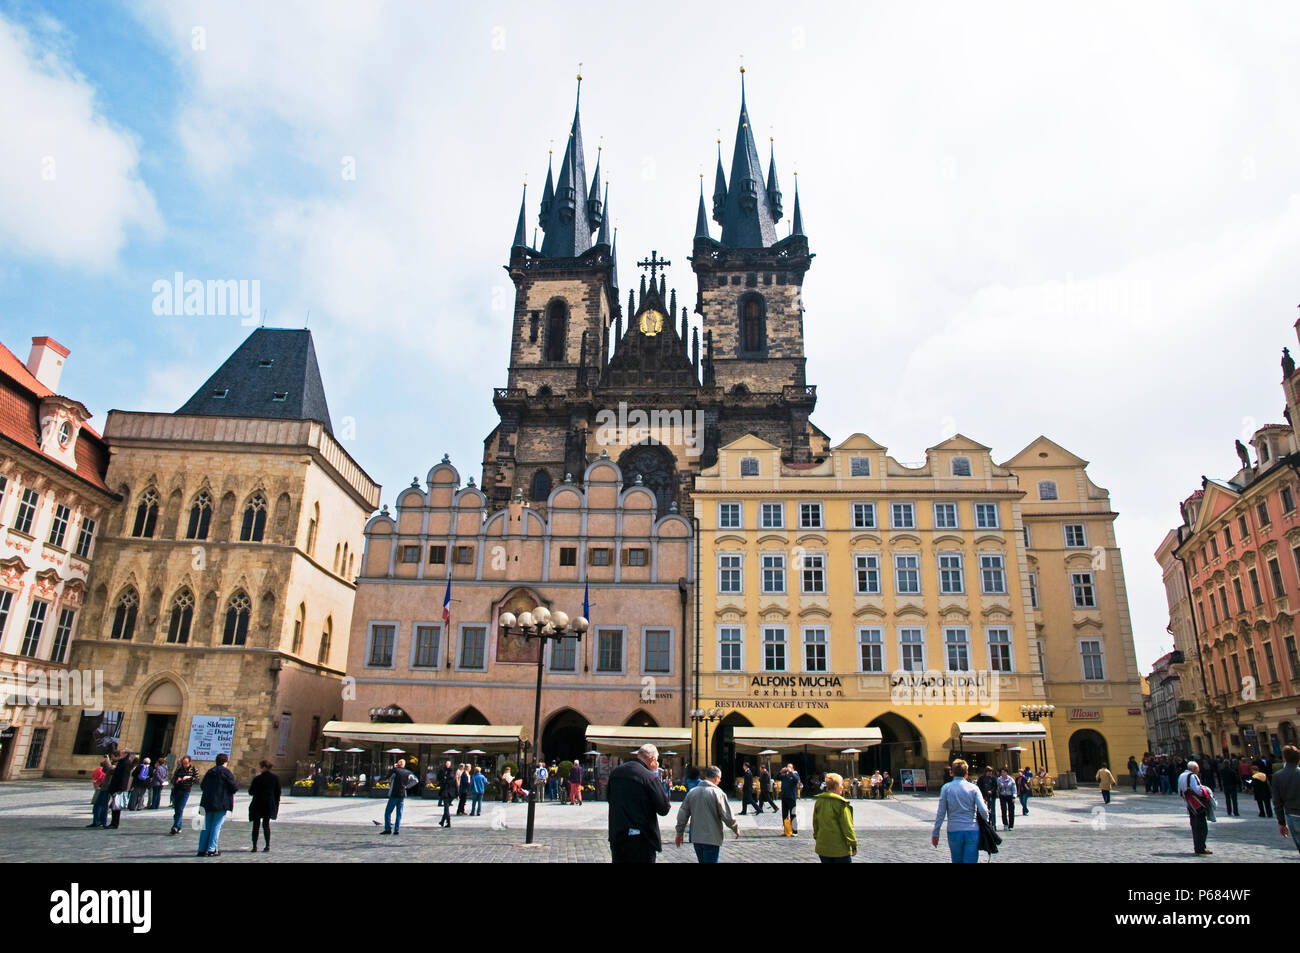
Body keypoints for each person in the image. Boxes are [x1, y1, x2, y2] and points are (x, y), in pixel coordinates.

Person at [607, 744, 670, 863]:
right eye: (657, 760)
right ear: (652, 760)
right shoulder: (648, 777)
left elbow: (609, 798)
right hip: (642, 839)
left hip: (618, 835)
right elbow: (664, 808)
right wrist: (656, 775)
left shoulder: (615, 773)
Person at [673, 765, 739, 863]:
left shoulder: (692, 792)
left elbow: (683, 814)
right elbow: (727, 815)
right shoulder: (718, 793)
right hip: (711, 837)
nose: (720, 781)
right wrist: (735, 828)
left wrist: (679, 832)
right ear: (716, 777)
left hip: (696, 837)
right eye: (719, 779)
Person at [932, 759, 990, 863]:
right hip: (972, 829)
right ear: (966, 773)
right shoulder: (974, 788)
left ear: (952, 773)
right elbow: (983, 810)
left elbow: (941, 813)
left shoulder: (946, 788)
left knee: (956, 860)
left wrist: (935, 833)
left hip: (954, 829)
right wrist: (986, 822)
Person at [197, 753, 238, 857]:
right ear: (225, 762)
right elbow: (234, 788)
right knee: (216, 826)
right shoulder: (226, 773)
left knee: (206, 826)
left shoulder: (210, 772)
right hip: (221, 803)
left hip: (207, 803)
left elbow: (202, 786)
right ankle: (212, 849)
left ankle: (201, 849)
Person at [813, 772, 857, 863]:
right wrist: (853, 844)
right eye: (841, 784)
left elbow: (815, 824)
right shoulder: (841, 804)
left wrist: (818, 838)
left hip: (823, 847)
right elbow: (847, 827)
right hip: (839, 849)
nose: (842, 787)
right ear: (836, 786)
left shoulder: (819, 801)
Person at [1177, 760, 1212, 856]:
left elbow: (1179, 791)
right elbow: (1197, 790)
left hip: (1189, 804)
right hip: (1197, 804)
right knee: (1202, 827)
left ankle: (1197, 847)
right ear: (1195, 768)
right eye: (1198, 769)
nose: (1198, 771)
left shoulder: (1181, 776)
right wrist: (1205, 791)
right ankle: (1201, 847)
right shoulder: (1192, 776)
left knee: (1194, 826)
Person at [248, 760, 281, 852]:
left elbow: (251, 792)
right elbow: (277, 793)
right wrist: (275, 804)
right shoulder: (275, 778)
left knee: (256, 825)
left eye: (260, 767)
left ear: (264, 768)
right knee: (266, 825)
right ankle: (267, 845)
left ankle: (254, 846)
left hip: (257, 804)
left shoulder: (257, 779)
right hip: (268, 804)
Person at [1272, 745, 1300, 856]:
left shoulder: (1277, 776)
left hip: (1292, 815)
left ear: (1284, 758)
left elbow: (1277, 802)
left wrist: (1281, 823)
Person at [381, 757, 417, 834]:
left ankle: (388, 829)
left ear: (398, 764)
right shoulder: (408, 772)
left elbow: (388, 777)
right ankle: (396, 830)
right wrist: (407, 786)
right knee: (399, 813)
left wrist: (393, 768)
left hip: (394, 794)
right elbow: (416, 780)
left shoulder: (395, 771)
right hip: (402, 794)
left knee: (388, 812)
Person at [105, 750, 134, 829]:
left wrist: (121, 788)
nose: (120, 753)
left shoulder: (126, 763)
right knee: (115, 806)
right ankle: (113, 822)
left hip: (118, 787)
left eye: (122, 752)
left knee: (116, 806)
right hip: (115, 786)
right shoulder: (122, 762)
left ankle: (115, 823)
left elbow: (125, 777)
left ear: (126, 754)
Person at [170, 756, 199, 834]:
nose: (185, 765)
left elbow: (197, 780)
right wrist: (177, 780)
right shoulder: (179, 769)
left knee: (180, 808)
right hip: (177, 790)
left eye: (186, 763)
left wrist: (189, 778)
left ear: (189, 762)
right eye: (183, 763)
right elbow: (173, 780)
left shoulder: (193, 769)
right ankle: (179, 826)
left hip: (186, 791)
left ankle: (175, 827)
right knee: (177, 809)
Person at [87, 756, 112, 828]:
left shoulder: (110, 771)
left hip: (105, 788)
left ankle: (99, 821)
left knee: (101, 805)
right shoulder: (108, 771)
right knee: (100, 805)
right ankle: (99, 821)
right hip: (103, 788)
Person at [780, 764, 801, 836]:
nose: (787, 768)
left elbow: (797, 780)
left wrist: (791, 772)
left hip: (791, 798)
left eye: (789, 767)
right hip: (784, 797)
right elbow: (776, 777)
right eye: (787, 767)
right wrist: (781, 771)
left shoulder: (795, 774)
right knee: (784, 815)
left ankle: (795, 832)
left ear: (792, 768)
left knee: (793, 815)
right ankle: (786, 831)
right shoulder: (784, 775)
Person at [976, 766, 998, 830]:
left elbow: (995, 786)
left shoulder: (993, 778)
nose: (990, 773)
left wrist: (991, 791)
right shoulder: (981, 778)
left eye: (991, 771)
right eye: (989, 771)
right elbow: (979, 787)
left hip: (992, 796)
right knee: (985, 810)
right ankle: (986, 824)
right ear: (986, 772)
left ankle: (993, 824)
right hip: (984, 796)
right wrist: (985, 792)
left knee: (992, 811)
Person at [438, 760, 456, 828]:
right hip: (452, 795)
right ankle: (442, 821)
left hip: (446, 794)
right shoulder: (453, 778)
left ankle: (448, 822)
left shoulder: (445, 780)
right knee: (446, 808)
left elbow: (441, 785)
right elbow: (456, 786)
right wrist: (456, 794)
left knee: (446, 809)